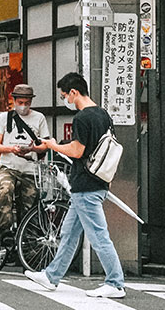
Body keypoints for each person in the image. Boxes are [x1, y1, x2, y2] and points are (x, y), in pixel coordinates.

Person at [25, 72, 126, 299]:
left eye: (65, 96)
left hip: (85, 186)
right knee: (69, 233)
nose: (65, 100)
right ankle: (51, 276)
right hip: (98, 181)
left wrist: (52, 145)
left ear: (73, 92)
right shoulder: (103, 114)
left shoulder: (82, 118)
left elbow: (78, 151)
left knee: (98, 236)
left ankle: (115, 282)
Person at [0, 84, 49, 232]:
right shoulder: (4, 118)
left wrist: (32, 148)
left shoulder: (39, 118)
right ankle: (4, 232)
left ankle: (25, 242)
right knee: (5, 190)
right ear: (14, 101)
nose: (23, 106)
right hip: (8, 167)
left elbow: (45, 145)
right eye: (20, 103)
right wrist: (11, 149)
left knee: (29, 207)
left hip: (29, 170)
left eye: (27, 103)